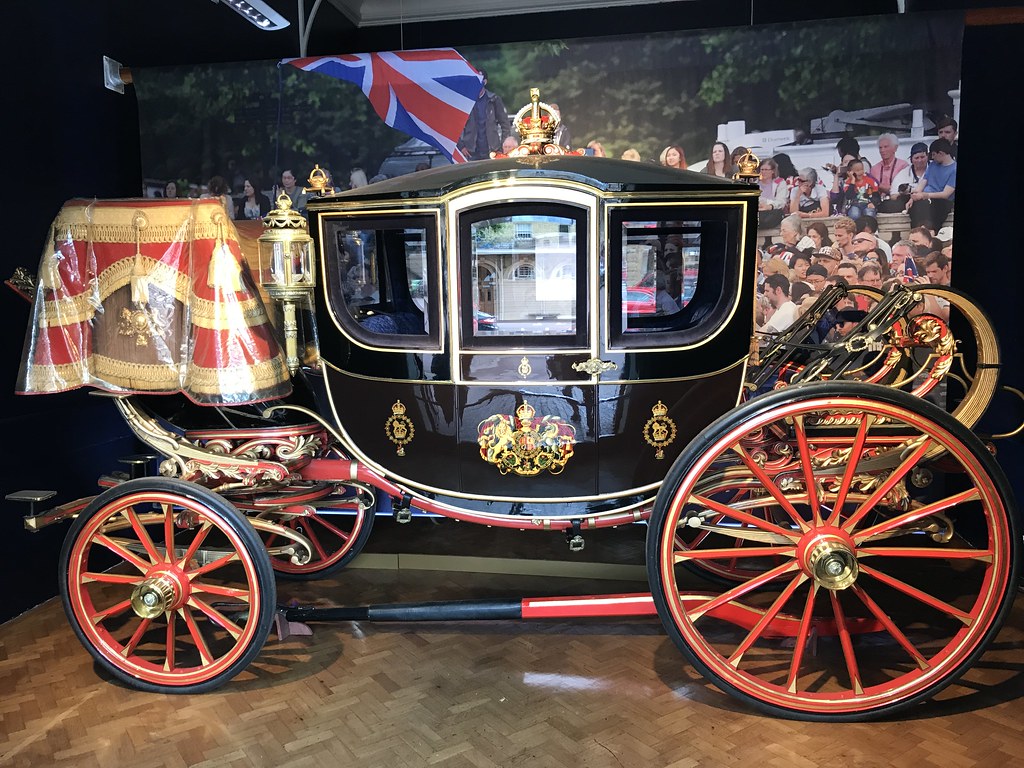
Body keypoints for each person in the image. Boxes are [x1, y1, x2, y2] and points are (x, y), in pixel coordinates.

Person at [458, 69, 512, 161]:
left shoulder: (494, 99)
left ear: (485, 82)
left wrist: (503, 146)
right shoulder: (465, 101)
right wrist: (461, 146)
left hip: (492, 150)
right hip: (471, 151)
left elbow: (505, 124)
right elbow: (455, 125)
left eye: (479, 79)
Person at [908, 137, 956, 233]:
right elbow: (924, 181)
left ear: (941, 153)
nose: (932, 158)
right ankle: (917, 231)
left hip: (941, 200)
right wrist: (913, 197)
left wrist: (925, 195)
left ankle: (929, 232)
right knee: (915, 206)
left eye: (934, 154)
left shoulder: (954, 170)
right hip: (926, 197)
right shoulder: (933, 165)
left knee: (932, 210)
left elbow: (946, 194)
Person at [869, 133, 909, 202]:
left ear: (895, 148)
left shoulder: (903, 166)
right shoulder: (874, 169)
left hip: (897, 202)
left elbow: (903, 190)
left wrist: (880, 187)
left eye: (886, 147)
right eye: (880, 148)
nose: (882, 150)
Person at [756, 157, 788, 228]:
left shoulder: (780, 183)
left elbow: (781, 201)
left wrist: (770, 206)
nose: (763, 172)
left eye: (766, 170)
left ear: (773, 171)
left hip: (772, 212)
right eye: (762, 170)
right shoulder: (756, 183)